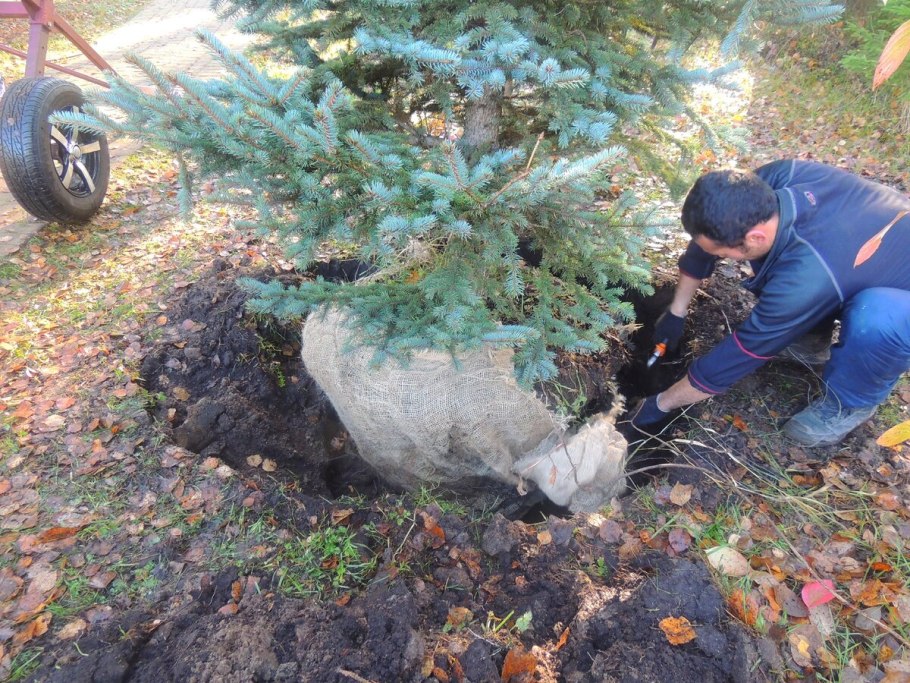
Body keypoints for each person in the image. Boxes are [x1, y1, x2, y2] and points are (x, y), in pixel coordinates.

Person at [632, 159, 910, 447]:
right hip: (862, 256)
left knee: (877, 319)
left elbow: (742, 353)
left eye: (723, 253)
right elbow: (706, 241)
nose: (720, 255)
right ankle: (810, 341)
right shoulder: (769, 182)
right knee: (795, 276)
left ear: (754, 237)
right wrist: (677, 311)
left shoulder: (806, 278)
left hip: (895, 300)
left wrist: (660, 404)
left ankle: (852, 402)